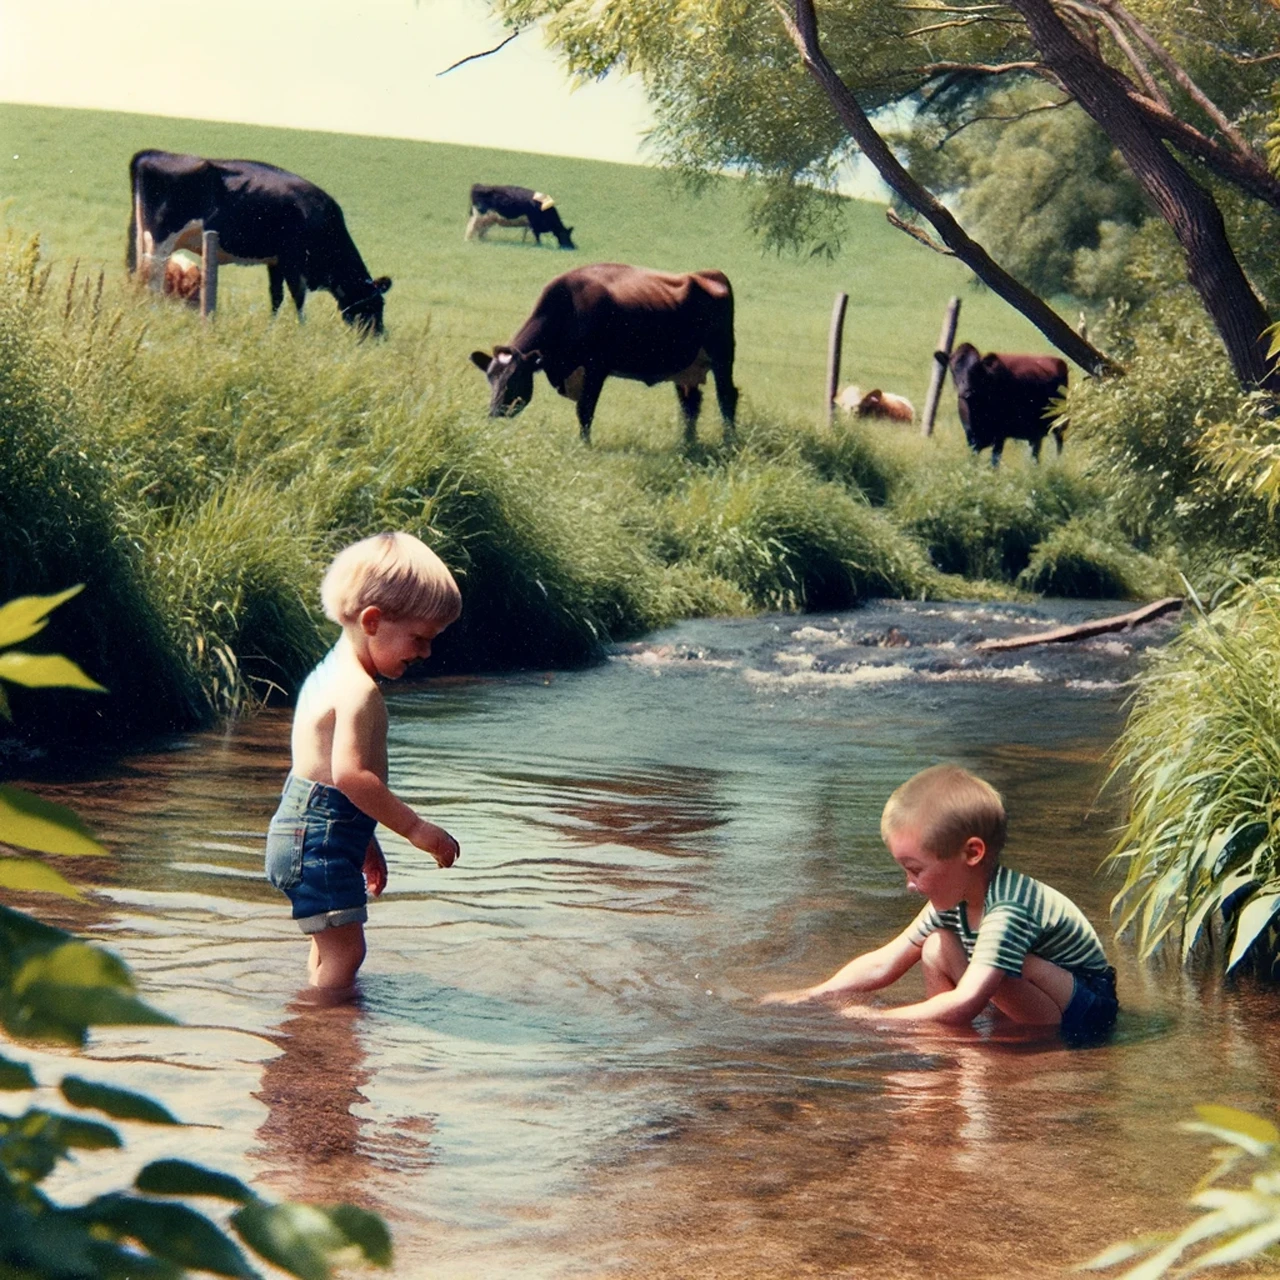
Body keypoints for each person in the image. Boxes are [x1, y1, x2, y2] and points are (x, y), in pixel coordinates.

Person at [762, 765, 1118, 1044]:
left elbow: (968, 999)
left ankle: (980, 1035)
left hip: (1086, 1013)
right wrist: (815, 993)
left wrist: (881, 1020)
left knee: (1005, 964)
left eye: (915, 870)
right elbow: (886, 960)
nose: (909, 883)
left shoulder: (1007, 910)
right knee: (934, 945)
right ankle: (946, 1037)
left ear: (971, 854)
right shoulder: (956, 896)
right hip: (1040, 997)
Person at [265, 531, 463, 990]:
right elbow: (351, 777)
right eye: (419, 638)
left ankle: (319, 1024)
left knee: (328, 943)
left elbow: (318, 778)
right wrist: (416, 829)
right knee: (348, 950)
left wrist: (364, 845)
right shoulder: (360, 692)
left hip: (301, 833)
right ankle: (321, 1032)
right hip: (319, 844)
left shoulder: (325, 675)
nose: (426, 652)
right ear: (372, 621)